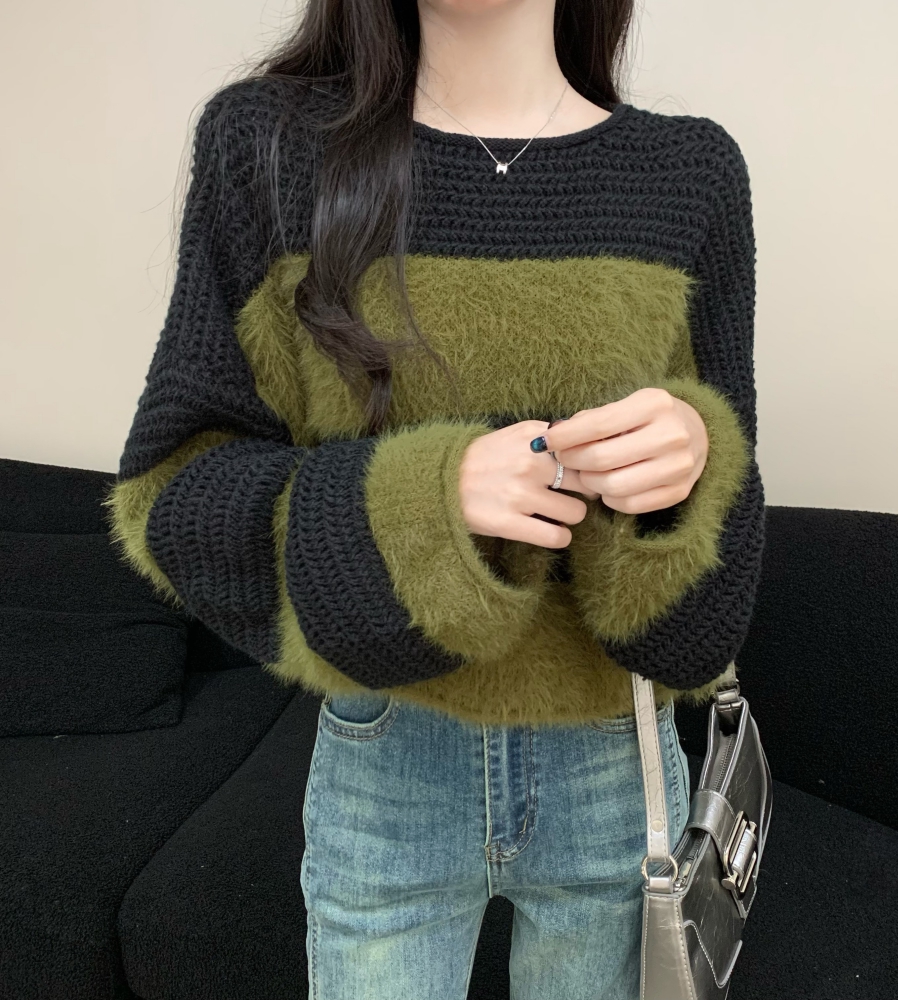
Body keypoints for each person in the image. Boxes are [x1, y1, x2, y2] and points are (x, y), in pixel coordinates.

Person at [103, 0, 765, 995]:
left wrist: (692, 465)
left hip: (616, 768)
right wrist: (429, 503)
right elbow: (172, 496)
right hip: (386, 759)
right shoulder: (268, 149)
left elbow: (708, 607)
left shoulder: (689, 174)